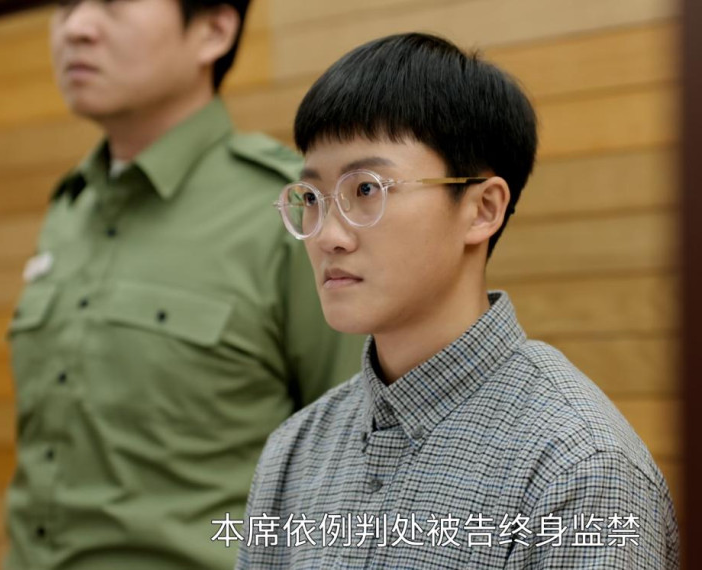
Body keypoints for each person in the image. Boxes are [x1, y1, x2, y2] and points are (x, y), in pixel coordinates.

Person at [237, 33, 680, 569]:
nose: (328, 235)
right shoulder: (295, 449)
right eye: (311, 198)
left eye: (367, 189)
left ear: (482, 209)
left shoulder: (579, 465)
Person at [5, 1, 363, 569]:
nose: (76, 27)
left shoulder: (290, 217)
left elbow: (359, 460)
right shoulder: (71, 207)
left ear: (213, 30)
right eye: (66, 4)